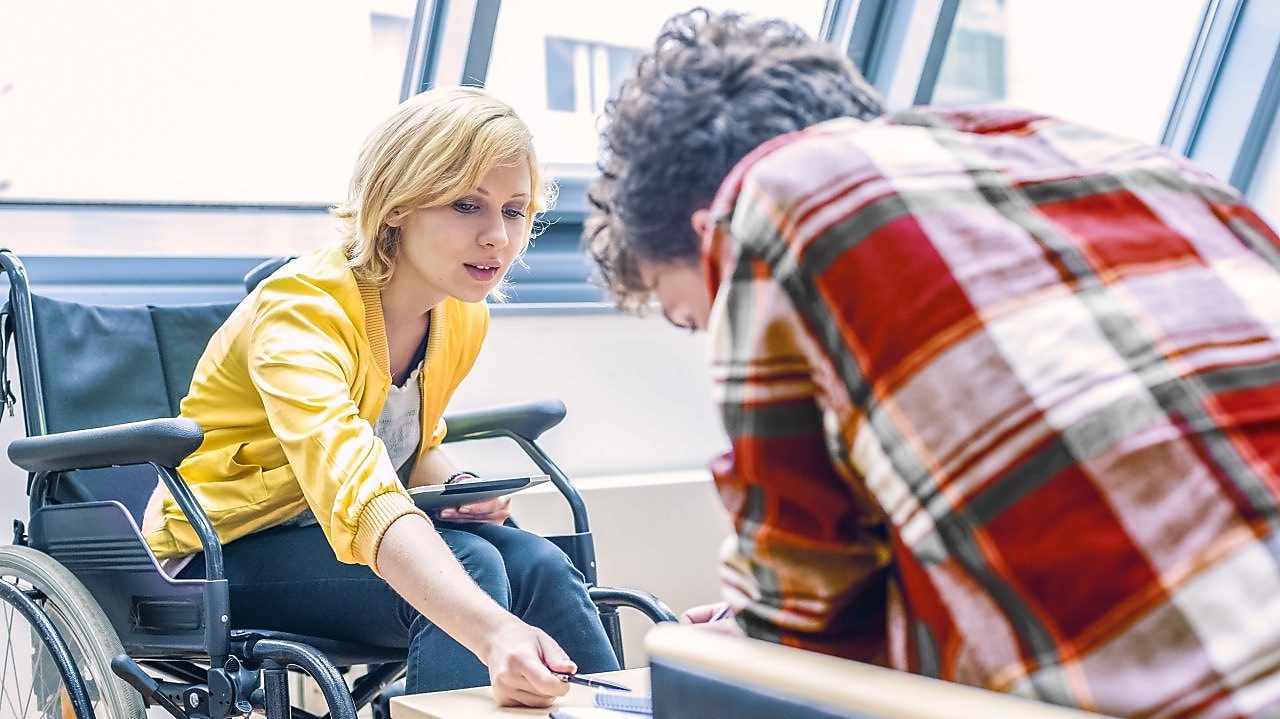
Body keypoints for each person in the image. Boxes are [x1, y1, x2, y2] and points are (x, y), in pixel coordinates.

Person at [586, 8, 1280, 718]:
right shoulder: (1148, 168)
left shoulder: (771, 204)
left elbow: (796, 638)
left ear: (711, 241)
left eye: (699, 319)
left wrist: (735, 638)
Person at [141, 85, 618, 706]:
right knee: (472, 571)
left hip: (333, 541)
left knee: (539, 563)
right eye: (468, 206)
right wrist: (495, 632)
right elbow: (356, 487)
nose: (497, 236)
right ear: (396, 204)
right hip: (218, 555)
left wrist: (460, 484)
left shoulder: (460, 315)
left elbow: (412, 443)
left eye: (514, 210)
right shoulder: (302, 309)